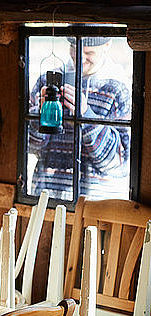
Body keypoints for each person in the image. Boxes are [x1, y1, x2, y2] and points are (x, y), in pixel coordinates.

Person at [28, 37, 131, 200]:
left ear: (107, 45)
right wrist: (40, 115)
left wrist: (86, 115)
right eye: (74, 48)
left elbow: (120, 164)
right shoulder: (47, 81)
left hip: (97, 207)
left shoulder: (118, 90)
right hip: (46, 199)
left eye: (89, 52)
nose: (79, 57)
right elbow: (30, 147)